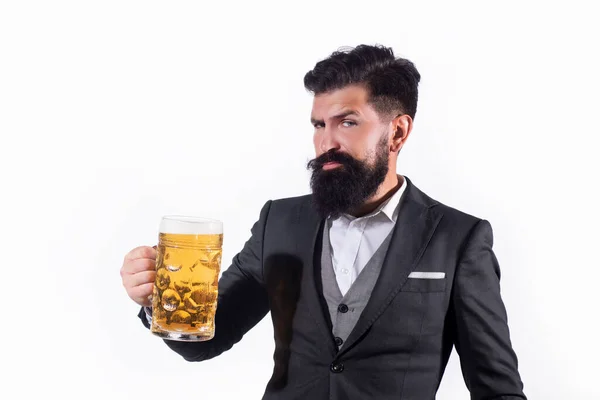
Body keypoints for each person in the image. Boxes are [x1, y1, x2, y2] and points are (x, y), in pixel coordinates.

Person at [120, 44, 526, 400]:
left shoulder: (458, 239)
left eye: (347, 123)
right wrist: (156, 299)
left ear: (398, 132)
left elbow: (498, 389)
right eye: (319, 125)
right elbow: (206, 339)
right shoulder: (279, 222)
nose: (326, 143)